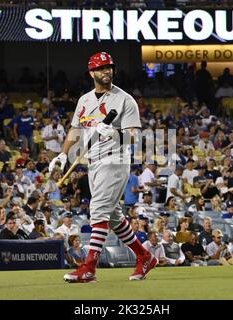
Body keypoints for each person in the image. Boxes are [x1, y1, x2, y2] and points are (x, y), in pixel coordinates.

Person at [50, 52, 157, 283]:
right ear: (92, 73)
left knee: (98, 210)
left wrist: (116, 133)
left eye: (109, 67)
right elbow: (75, 129)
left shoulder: (125, 99)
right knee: (113, 218)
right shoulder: (85, 100)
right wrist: (62, 153)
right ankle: (144, 256)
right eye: (100, 68)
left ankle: (89, 268)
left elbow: (135, 137)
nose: (106, 71)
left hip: (115, 159)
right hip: (94, 161)